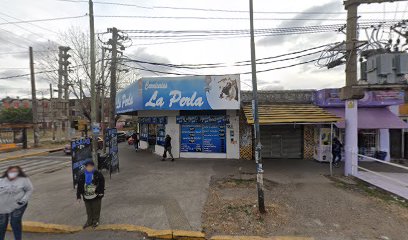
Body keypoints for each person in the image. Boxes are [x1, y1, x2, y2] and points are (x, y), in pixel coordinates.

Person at [0, 166, 33, 240]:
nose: (13, 174)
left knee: (14, 222)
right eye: (11, 172)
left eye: (15, 172)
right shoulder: (2, 180)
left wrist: (23, 200)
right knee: (2, 224)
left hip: (18, 205)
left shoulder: (24, 180)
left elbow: (29, 190)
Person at [76, 161, 105, 229]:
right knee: (89, 210)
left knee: (96, 209)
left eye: (91, 166)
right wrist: (78, 197)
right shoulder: (82, 175)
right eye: (88, 166)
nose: (89, 168)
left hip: (96, 195)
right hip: (86, 196)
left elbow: (102, 183)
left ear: (93, 166)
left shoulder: (97, 174)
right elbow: (79, 186)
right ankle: (89, 221)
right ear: (85, 167)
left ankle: (95, 221)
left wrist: (101, 192)